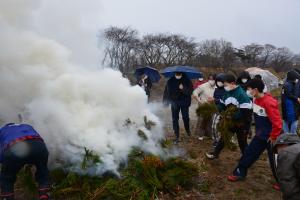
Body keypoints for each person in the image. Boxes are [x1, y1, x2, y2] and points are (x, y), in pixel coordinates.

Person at [227, 78, 282, 191]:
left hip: (272, 137)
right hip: (260, 135)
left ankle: (283, 182)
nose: (247, 91)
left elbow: (278, 123)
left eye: (249, 89)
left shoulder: (268, 102)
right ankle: (240, 172)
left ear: (255, 90)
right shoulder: (255, 100)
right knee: (249, 153)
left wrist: (273, 136)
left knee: (275, 161)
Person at [205, 74, 252, 159]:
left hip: (242, 123)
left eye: (226, 85)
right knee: (224, 137)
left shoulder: (242, 95)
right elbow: (222, 104)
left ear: (232, 83)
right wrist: (215, 109)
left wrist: (232, 116)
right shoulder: (227, 93)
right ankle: (215, 154)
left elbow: (245, 112)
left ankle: (247, 158)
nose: (225, 87)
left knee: (242, 142)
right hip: (231, 120)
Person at [0, 123, 50, 200]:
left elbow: (3, 155)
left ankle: (7, 197)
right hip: (39, 146)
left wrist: (6, 163)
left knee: (6, 177)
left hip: (14, 147)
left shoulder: (2, 130)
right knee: (42, 169)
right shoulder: (27, 125)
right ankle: (44, 193)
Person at [163, 72, 193, 144]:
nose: (178, 75)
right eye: (176, 73)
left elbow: (190, 92)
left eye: (179, 73)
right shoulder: (170, 81)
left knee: (185, 117)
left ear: (181, 74)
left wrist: (183, 88)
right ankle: (177, 135)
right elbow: (166, 92)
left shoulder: (187, 80)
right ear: (174, 73)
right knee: (175, 119)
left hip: (184, 102)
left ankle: (187, 130)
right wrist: (165, 102)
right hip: (174, 102)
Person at [273, 134, 300, 200]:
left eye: (277, 149)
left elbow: (287, 182)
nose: (278, 153)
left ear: (282, 145)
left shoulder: (286, 152)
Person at [193, 74, 216, 140]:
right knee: (202, 119)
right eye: (210, 79)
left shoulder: (217, 86)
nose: (212, 81)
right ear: (208, 79)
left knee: (211, 120)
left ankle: (210, 134)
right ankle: (200, 135)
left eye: (213, 79)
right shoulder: (203, 86)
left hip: (212, 105)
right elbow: (195, 92)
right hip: (203, 104)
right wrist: (198, 99)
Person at [281, 70, 300, 134]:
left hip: (287, 106)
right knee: (294, 120)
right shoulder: (288, 85)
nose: (297, 80)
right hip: (290, 106)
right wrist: (297, 98)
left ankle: (288, 135)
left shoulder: (288, 83)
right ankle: (292, 135)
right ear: (293, 78)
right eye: (296, 78)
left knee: (286, 120)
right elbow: (289, 94)